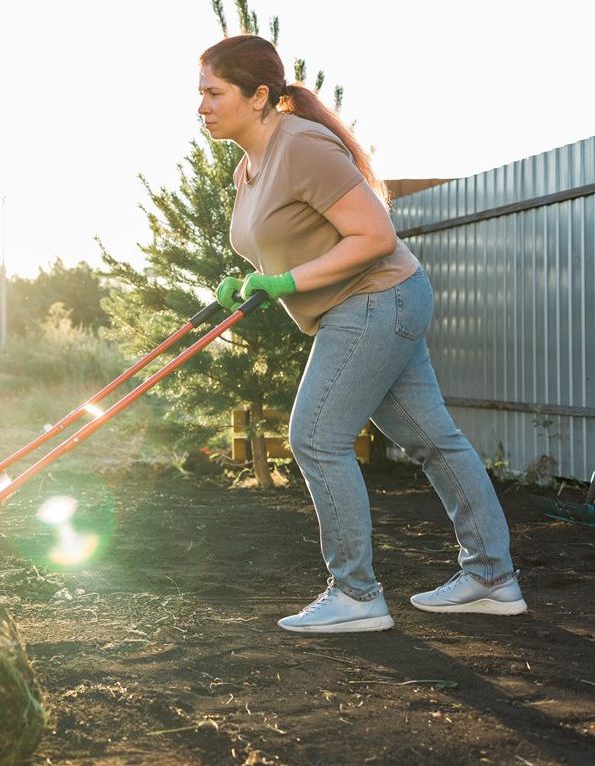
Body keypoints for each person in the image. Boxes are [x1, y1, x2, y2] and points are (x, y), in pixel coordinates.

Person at [198, 35, 527, 634]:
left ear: (259, 95)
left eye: (214, 93)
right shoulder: (250, 166)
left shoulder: (301, 144)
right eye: (200, 94)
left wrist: (285, 282)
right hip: (368, 305)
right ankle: (492, 578)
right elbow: (288, 243)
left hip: (376, 299)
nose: (201, 106)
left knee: (316, 438)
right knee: (432, 439)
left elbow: (374, 237)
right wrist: (254, 282)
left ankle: (355, 594)